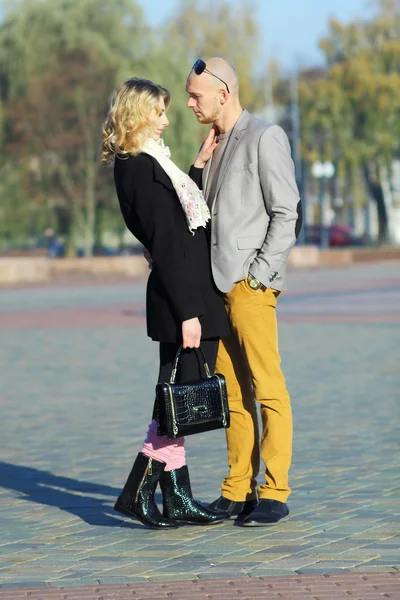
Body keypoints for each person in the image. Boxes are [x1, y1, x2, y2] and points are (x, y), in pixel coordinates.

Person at [100, 77, 230, 529]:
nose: (167, 120)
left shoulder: (147, 163)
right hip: (182, 299)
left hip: (183, 292)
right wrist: (189, 313)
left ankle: (177, 498)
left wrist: (195, 167)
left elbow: (174, 219)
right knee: (174, 402)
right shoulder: (138, 165)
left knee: (176, 400)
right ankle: (138, 494)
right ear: (138, 114)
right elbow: (168, 239)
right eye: (159, 112)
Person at [185, 58, 303, 526]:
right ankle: (238, 489)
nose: (192, 103)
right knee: (232, 394)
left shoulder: (264, 137)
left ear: (224, 92)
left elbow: (286, 211)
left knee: (267, 387)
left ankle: (275, 490)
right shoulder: (213, 143)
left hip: (249, 288)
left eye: (197, 95)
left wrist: (259, 274)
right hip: (216, 291)